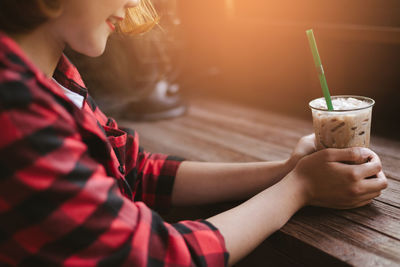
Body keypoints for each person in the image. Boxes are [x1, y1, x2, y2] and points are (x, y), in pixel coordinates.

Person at [0, 0, 387, 266]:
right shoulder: (15, 105)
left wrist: (287, 170)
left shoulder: (54, 76)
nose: (135, 2)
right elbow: (156, 257)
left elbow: (136, 173)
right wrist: (298, 189)